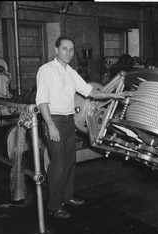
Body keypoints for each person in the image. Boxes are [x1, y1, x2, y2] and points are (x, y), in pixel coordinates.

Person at [35, 36, 124, 219]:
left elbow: (91, 91)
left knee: (69, 162)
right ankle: (54, 206)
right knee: (57, 165)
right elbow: (42, 101)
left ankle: (67, 197)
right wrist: (51, 125)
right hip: (55, 120)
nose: (68, 53)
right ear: (56, 50)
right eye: (65, 49)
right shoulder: (47, 70)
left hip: (69, 121)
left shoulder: (71, 72)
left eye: (71, 50)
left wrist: (115, 95)